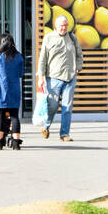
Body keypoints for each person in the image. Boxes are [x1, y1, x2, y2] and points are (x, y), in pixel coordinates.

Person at [37, 12, 83, 142]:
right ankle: (46, 126)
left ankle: (64, 134)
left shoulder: (72, 38)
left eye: (66, 25)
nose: (64, 28)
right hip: (54, 78)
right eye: (61, 26)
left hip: (69, 78)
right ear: (55, 26)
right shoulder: (49, 38)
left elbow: (79, 54)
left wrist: (78, 68)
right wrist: (41, 77)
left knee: (67, 107)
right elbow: (42, 59)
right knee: (52, 106)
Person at [0, 31, 24, 150]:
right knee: (14, 117)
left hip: (1, 91)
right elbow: (21, 74)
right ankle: (15, 143)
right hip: (14, 91)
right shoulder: (19, 57)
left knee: (0, 117)